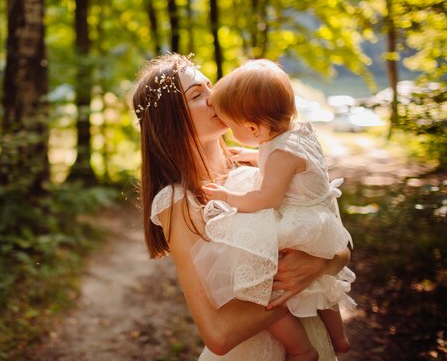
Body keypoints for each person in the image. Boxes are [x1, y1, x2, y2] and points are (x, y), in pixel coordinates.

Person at [132, 52, 351, 361]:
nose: (214, 96)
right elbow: (219, 335)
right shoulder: (178, 201)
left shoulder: (263, 162)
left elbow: (332, 235)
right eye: (198, 95)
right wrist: (300, 285)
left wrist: (321, 265)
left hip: (315, 334)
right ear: (172, 123)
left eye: (210, 85)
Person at [197, 59, 355, 359]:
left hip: (301, 219)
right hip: (320, 216)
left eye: (231, 126)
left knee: (263, 285)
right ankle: (338, 336)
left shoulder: (281, 154)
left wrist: (228, 197)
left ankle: (301, 348)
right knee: (322, 282)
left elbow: (265, 198)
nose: (228, 131)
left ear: (253, 128)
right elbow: (279, 161)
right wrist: (250, 154)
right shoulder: (293, 135)